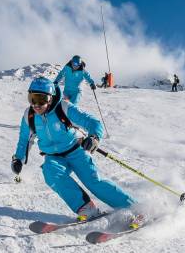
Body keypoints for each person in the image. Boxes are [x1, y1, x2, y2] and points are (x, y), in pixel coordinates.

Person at [12, 77, 135, 220]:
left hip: (76, 151)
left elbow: (92, 122)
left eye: (41, 99)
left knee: (93, 181)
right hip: (53, 156)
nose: (36, 105)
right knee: (51, 173)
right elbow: (24, 140)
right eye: (32, 98)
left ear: (50, 98)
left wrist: (94, 137)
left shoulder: (63, 107)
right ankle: (86, 207)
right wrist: (18, 159)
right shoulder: (30, 115)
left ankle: (132, 207)